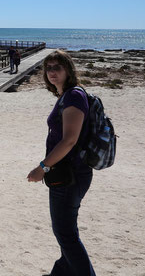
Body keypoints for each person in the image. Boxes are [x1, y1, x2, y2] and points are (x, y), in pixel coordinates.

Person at [27, 50, 96, 276]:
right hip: (67, 173)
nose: (52, 72)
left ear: (68, 70)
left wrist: (42, 167)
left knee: (66, 236)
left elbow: (69, 140)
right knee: (65, 234)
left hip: (70, 174)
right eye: (48, 68)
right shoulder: (66, 96)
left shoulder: (74, 96)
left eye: (57, 67)